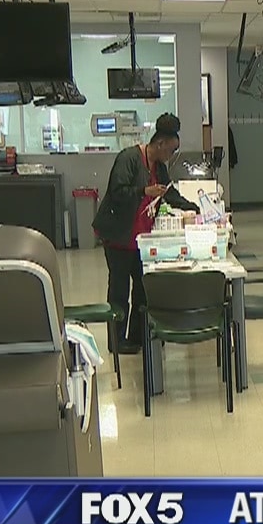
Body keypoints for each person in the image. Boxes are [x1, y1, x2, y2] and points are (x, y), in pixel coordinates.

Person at [93, 113, 199, 354]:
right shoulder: (129, 159)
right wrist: (144, 190)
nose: (170, 156)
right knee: (119, 291)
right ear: (159, 143)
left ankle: (137, 336)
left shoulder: (159, 168)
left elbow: (168, 193)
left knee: (142, 289)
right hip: (119, 238)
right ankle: (116, 341)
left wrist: (193, 207)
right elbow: (117, 191)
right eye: (170, 150)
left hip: (141, 240)